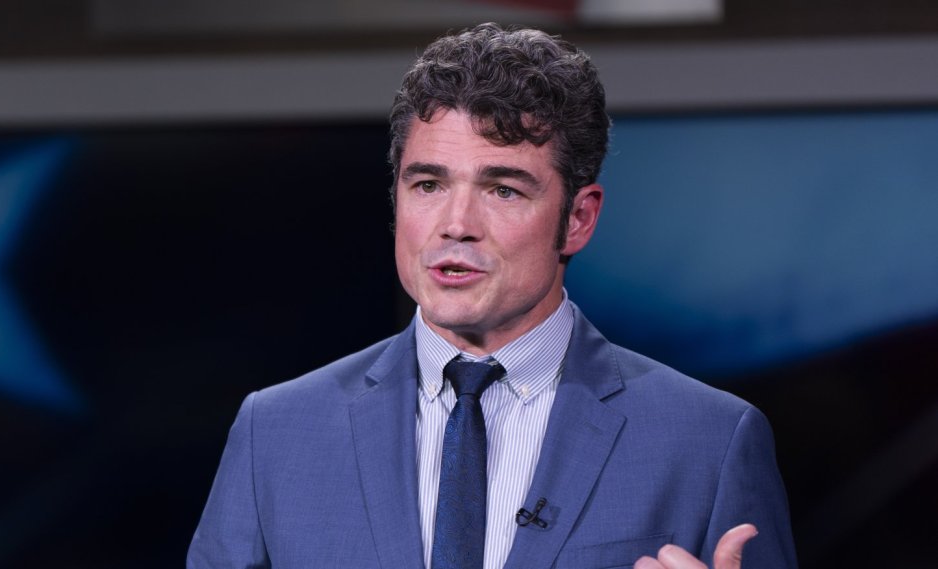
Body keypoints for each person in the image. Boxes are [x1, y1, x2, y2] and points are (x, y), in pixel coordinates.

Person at [187, 23, 797, 569]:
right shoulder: (277, 432)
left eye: (503, 190)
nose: (456, 223)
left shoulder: (709, 441)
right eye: (427, 184)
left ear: (578, 220)